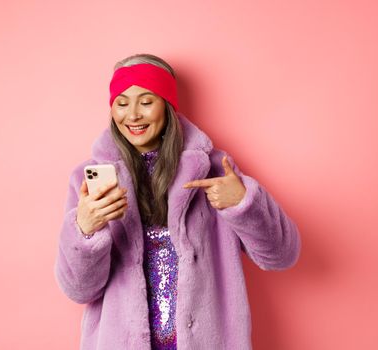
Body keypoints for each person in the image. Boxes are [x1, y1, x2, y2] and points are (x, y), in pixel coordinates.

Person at [54, 53, 301, 350]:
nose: (132, 115)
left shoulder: (214, 170)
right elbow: (79, 290)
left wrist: (244, 204)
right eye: (121, 103)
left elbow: (282, 254)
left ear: (167, 105)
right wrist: (85, 230)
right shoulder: (87, 181)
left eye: (146, 102)